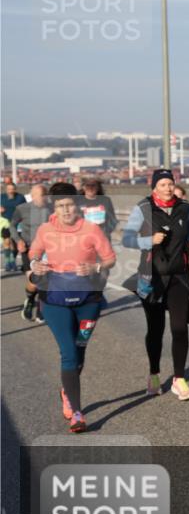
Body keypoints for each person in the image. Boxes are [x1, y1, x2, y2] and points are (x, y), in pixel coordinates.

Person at [28, 183, 116, 433]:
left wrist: (95, 268)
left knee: (79, 351)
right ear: (53, 207)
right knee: (67, 352)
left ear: (77, 205)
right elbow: (35, 252)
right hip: (55, 300)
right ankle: (77, 412)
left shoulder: (91, 229)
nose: (66, 210)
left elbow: (110, 258)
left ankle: (66, 390)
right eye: (60, 205)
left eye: (69, 204)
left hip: (89, 302)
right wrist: (36, 263)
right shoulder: (46, 230)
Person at [122, 169, 189, 400]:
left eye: (170, 183)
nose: (167, 188)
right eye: (162, 184)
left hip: (179, 275)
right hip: (152, 278)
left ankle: (179, 379)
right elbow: (126, 239)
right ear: (154, 188)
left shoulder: (185, 208)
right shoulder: (143, 208)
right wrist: (149, 240)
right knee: (155, 330)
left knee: (180, 328)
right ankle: (155, 374)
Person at [11, 184, 51, 321]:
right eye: (41, 195)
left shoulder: (52, 209)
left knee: (45, 279)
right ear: (32, 196)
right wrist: (18, 240)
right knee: (34, 281)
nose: (44, 197)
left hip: (48, 249)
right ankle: (29, 300)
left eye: (45, 194)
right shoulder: (22, 209)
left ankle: (41, 308)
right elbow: (12, 225)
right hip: (28, 248)